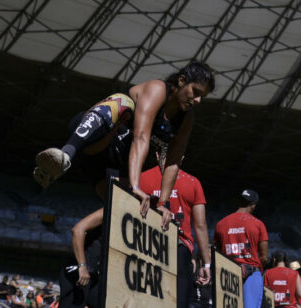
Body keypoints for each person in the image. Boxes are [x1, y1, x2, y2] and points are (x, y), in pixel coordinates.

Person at [32, 61, 215, 213]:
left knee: (128, 209)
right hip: (94, 138)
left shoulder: (187, 118)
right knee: (122, 101)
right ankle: (65, 155)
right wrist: (136, 186)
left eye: (202, 97)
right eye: (196, 92)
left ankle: (93, 252)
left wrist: (163, 204)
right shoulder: (157, 89)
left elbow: (173, 163)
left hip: (112, 165)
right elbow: (141, 138)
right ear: (182, 81)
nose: (198, 101)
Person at [140, 152, 211, 308]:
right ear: (182, 155)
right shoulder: (192, 182)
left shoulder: (142, 177)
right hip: (178, 249)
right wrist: (207, 263)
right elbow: (200, 225)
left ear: (157, 153)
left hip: (146, 249)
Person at [213, 189, 279, 308]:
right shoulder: (258, 224)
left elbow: (215, 250)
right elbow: (264, 256)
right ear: (254, 206)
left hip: (229, 273)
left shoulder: (221, 223)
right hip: (251, 273)